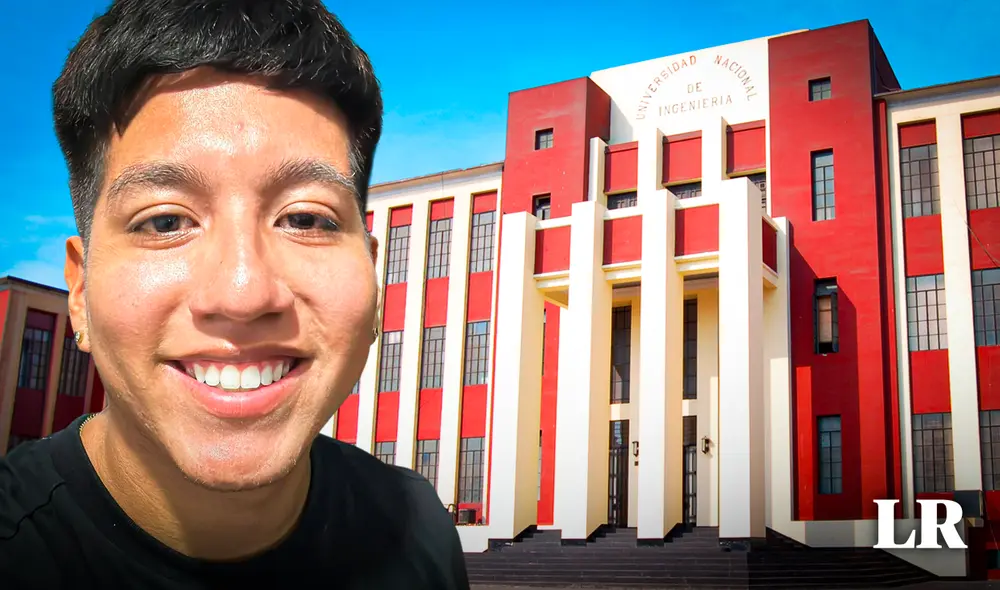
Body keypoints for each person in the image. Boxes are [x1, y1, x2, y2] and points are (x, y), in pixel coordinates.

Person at [0, 1, 470, 588]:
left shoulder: (419, 531)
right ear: (80, 291)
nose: (243, 293)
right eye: (165, 222)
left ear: (374, 283)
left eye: (305, 218)